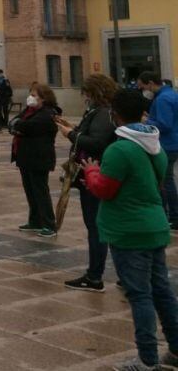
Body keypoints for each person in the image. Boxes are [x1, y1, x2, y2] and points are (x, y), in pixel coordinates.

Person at [81, 90, 178, 371]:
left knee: (140, 294)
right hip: (154, 224)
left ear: (116, 114)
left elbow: (105, 190)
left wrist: (90, 171)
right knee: (162, 291)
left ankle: (147, 360)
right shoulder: (155, 146)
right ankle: (175, 348)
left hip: (128, 230)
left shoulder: (120, 149)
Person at [56, 74, 118, 293]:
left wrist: (70, 134)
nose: (84, 97)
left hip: (93, 174)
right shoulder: (101, 113)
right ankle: (116, 273)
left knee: (96, 227)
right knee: (100, 226)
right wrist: (72, 128)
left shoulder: (102, 113)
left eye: (86, 93)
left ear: (94, 93)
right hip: (91, 174)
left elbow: (97, 142)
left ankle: (94, 275)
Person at [10, 83, 60, 238]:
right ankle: (35, 220)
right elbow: (14, 122)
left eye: (34, 95)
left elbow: (27, 126)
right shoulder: (29, 110)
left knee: (40, 191)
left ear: (43, 98)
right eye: (30, 94)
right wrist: (17, 126)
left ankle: (49, 224)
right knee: (30, 190)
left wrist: (19, 126)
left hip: (39, 157)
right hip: (25, 156)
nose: (31, 98)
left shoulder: (47, 113)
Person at [138, 71, 178, 229]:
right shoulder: (171, 94)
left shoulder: (163, 99)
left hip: (167, 145)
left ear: (150, 83)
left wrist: (147, 120)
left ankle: (173, 216)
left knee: (165, 181)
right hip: (173, 143)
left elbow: (165, 124)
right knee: (167, 180)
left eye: (142, 87)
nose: (143, 90)